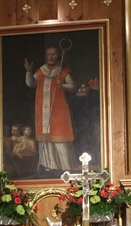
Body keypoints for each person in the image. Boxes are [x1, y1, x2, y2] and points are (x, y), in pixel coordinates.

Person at [25, 46, 78, 174]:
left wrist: (62, 85)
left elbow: (73, 87)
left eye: (53, 54)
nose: (51, 56)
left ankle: (65, 166)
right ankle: (49, 165)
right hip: (42, 110)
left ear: (57, 56)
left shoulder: (63, 72)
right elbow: (31, 83)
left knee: (60, 137)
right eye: (49, 54)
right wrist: (28, 72)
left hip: (58, 109)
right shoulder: (41, 71)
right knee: (46, 139)